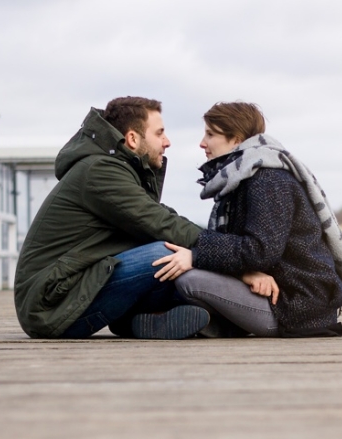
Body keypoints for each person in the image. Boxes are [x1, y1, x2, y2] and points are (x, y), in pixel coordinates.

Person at [153, 102, 342, 337]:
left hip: (294, 308)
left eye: (210, 134)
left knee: (189, 279)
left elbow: (260, 251)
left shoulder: (268, 180)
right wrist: (247, 273)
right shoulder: (245, 177)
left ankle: (219, 325)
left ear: (236, 139)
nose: (202, 143)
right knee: (179, 274)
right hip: (276, 293)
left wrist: (196, 255)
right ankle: (212, 323)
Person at [14, 96, 211, 340]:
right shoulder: (100, 172)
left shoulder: (116, 168)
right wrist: (224, 250)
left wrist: (216, 247)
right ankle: (143, 318)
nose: (167, 142)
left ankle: (135, 322)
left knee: (176, 261)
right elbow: (160, 223)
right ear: (132, 138)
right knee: (164, 255)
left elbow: (161, 217)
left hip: (69, 288)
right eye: (159, 133)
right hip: (50, 305)